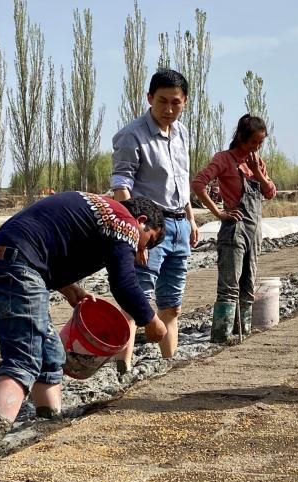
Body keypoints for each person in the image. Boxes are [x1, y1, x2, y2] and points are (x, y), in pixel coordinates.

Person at [0, 192, 168, 451]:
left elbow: (47, 239)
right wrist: (152, 321)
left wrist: (68, 287)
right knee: (23, 360)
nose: (141, 253)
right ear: (142, 220)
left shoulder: (99, 207)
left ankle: (48, 423)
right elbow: (124, 284)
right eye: (148, 242)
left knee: (50, 353)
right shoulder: (125, 222)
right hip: (18, 270)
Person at [110, 69, 199, 373]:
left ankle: (168, 366)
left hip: (179, 225)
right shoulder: (131, 135)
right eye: (162, 101)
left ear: (184, 101)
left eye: (176, 102)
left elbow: (181, 180)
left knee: (171, 304)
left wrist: (191, 217)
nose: (169, 109)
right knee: (135, 300)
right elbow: (121, 184)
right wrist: (133, 232)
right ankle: (123, 367)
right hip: (148, 229)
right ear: (149, 98)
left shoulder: (182, 133)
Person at [192, 114, 277, 342]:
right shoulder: (224, 159)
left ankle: (243, 332)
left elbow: (270, 192)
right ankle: (222, 336)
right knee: (230, 285)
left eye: (260, 143)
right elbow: (198, 183)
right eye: (253, 142)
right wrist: (219, 213)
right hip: (235, 229)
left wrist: (258, 173)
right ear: (240, 137)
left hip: (254, 231)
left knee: (248, 283)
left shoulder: (257, 163)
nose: (256, 147)